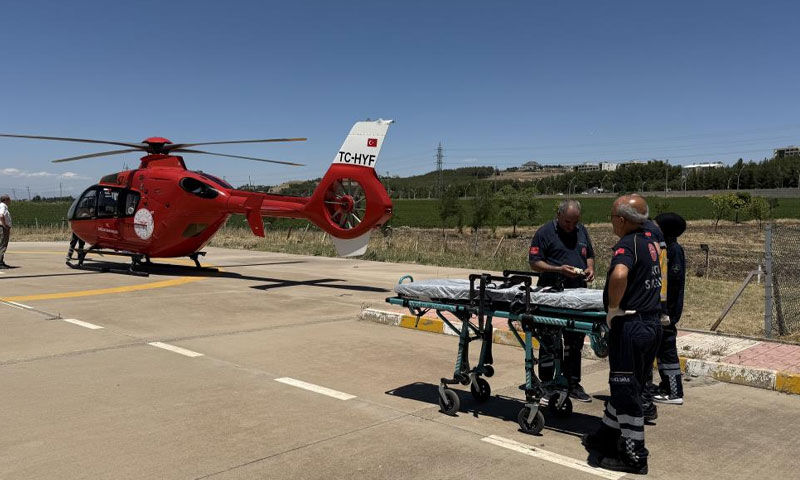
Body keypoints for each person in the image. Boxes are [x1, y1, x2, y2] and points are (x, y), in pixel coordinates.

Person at [582, 195, 662, 475]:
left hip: (631, 325)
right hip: (651, 324)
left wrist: (613, 310)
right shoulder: (651, 241)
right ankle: (605, 435)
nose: (611, 221)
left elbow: (619, 275)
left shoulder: (628, 244)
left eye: (612, 216)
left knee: (626, 390)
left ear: (622, 220)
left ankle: (634, 454)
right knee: (629, 384)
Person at [529, 199, 595, 402]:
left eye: (575, 222)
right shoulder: (544, 233)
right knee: (549, 340)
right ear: (558, 215)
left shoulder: (582, 231)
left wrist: (590, 268)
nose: (571, 226)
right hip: (552, 294)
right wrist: (558, 269)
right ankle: (547, 384)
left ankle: (573, 383)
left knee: (575, 342)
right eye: (567, 222)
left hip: (577, 295)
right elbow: (534, 263)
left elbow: (589, 255)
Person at [652, 212, 687, 404]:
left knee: (667, 349)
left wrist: (665, 311)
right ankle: (666, 385)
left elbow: (671, 283)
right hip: (665, 309)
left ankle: (674, 392)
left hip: (667, 311)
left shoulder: (673, 251)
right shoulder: (666, 248)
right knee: (662, 348)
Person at [0, 194, 12, 268]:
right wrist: (5, 225)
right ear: (5, 200)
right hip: (2, 228)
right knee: (3, 245)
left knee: (2, 244)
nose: (10, 201)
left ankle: (1, 261)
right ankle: (0, 263)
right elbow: (1, 216)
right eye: (9, 199)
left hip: (2, 227)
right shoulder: (3, 206)